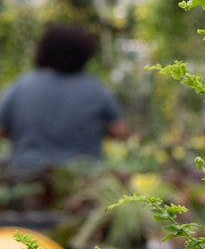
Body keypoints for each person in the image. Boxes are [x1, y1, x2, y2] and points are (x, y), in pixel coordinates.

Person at [0, 23, 128, 179]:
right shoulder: (96, 89)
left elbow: (2, 130)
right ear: (83, 54)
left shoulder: (21, 86)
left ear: (44, 50)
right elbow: (121, 132)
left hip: (28, 180)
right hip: (83, 183)